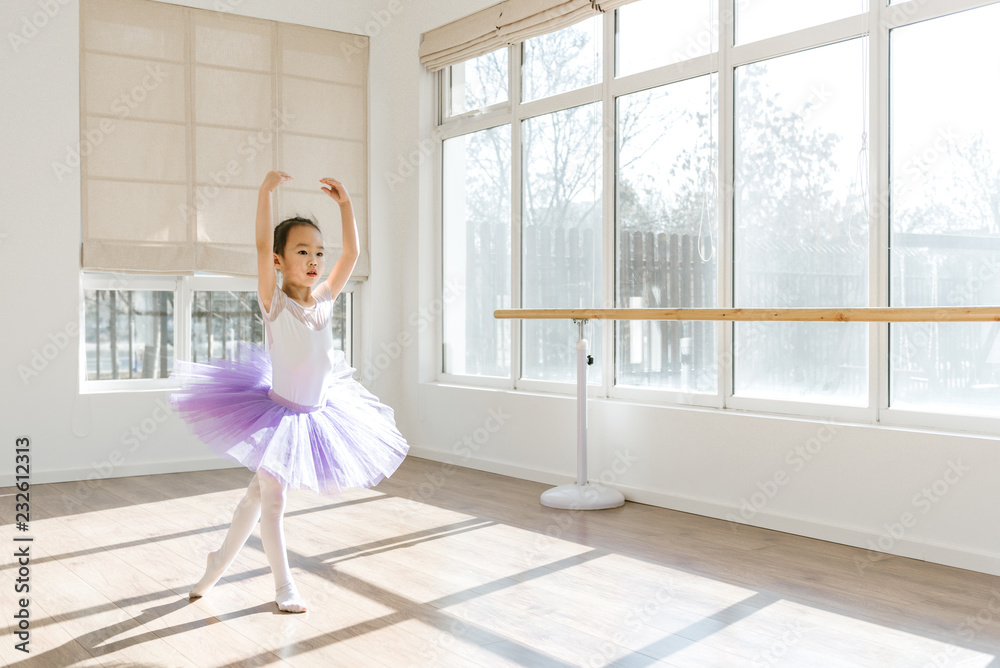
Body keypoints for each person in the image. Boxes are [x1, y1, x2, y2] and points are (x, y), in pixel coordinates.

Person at [169, 170, 409, 613]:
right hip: (279, 418)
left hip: (320, 414)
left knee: (255, 497)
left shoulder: (325, 299)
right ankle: (284, 587)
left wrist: (346, 205)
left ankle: (215, 565)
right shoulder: (274, 302)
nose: (314, 260)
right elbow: (262, 245)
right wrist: (264, 193)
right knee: (274, 501)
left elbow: (352, 253)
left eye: (318, 252)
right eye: (302, 251)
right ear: (279, 261)